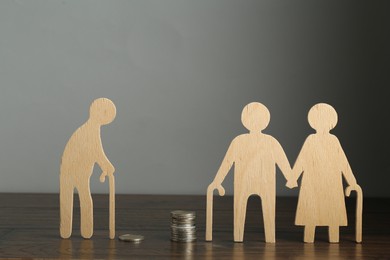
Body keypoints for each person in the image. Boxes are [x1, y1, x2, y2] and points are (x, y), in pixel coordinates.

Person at [208, 102, 291, 243]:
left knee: (248, 208)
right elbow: (227, 162)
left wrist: (218, 181)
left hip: (254, 182)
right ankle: (263, 237)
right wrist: (291, 178)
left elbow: (227, 163)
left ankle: (242, 237)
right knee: (250, 208)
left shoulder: (240, 141)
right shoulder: (270, 141)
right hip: (256, 182)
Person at [287, 103, 361, 243]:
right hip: (315, 182)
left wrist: (351, 181)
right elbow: (302, 160)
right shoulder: (313, 140)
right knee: (312, 211)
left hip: (329, 183)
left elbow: (342, 162)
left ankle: (329, 239)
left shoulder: (332, 140)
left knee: (330, 212)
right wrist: (292, 177)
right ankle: (313, 238)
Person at [60, 98, 116, 239]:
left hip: (80, 174)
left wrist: (105, 165)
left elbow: (95, 152)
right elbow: (96, 152)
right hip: (73, 173)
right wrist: (106, 164)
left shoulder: (90, 129)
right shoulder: (89, 130)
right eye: (105, 113)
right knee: (78, 200)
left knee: (77, 199)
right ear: (97, 112)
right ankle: (73, 231)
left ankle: (77, 231)